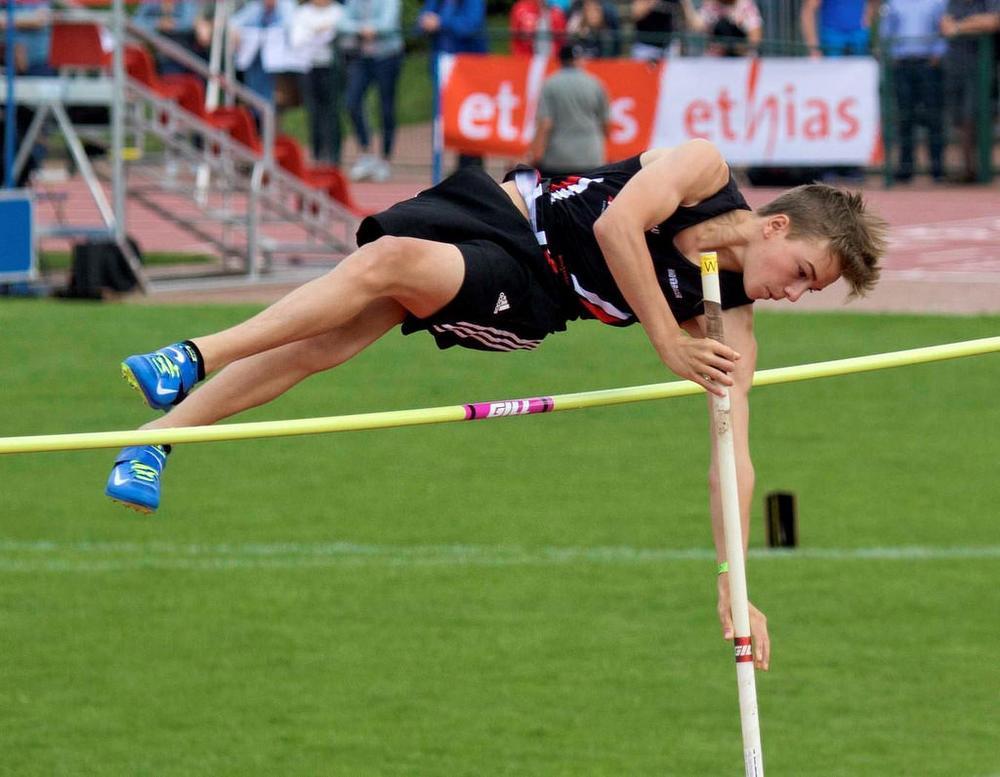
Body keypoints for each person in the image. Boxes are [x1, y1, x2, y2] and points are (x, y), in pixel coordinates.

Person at [103, 139, 888, 671]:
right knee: (347, 314)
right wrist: (666, 343)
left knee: (386, 272)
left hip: (534, 291)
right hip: (501, 209)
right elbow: (620, 222)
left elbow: (733, 453)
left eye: (807, 292)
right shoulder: (702, 170)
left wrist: (734, 578)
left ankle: (194, 356)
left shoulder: (725, 324)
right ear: (777, 224)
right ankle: (159, 438)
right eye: (802, 271)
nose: (790, 292)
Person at [881, 0, 947, 183]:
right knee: (905, 117)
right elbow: (886, 31)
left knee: (934, 117)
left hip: (928, 65)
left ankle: (937, 168)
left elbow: (943, 29)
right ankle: (905, 167)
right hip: (902, 65)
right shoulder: (894, 3)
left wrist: (937, 55)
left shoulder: (938, 2)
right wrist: (893, 55)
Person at [417, 0, 487, 170]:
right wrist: (424, 22)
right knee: (445, 118)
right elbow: (421, 23)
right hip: (443, 68)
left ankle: (471, 168)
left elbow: (470, 24)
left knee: (470, 118)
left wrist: (440, 23)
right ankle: (450, 169)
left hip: (468, 69)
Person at [339, 0, 403, 182]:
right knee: (352, 102)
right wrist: (362, 30)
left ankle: (385, 159)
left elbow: (387, 24)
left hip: (387, 56)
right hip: (361, 56)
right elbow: (343, 23)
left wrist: (370, 29)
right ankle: (366, 153)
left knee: (386, 108)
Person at [939, 0, 1000, 183]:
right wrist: (973, 25)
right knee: (960, 120)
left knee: (975, 117)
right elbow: (944, 25)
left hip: (983, 68)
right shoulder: (954, 3)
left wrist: (959, 27)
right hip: (956, 67)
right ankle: (968, 170)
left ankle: (982, 170)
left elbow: (992, 22)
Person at [529, 43, 610, 177]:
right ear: (580, 60)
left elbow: (545, 123)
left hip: (558, 158)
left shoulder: (550, 84)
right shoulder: (596, 83)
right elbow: (606, 125)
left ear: (560, 60)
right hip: (591, 156)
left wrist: (534, 154)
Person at [290, 0, 344, 165]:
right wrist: (318, 31)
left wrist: (314, 31)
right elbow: (296, 40)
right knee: (314, 112)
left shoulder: (339, 11)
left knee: (332, 111)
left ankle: (333, 154)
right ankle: (318, 152)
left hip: (331, 67)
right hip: (309, 67)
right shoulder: (302, 13)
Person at [630, 0, 698, 60]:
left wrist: (686, 4)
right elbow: (635, 13)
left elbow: (695, 25)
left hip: (669, 48)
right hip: (646, 48)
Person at [697, 0, 763, 57]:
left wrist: (733, 47)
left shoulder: (746, 5)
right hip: (715, 60)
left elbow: (755, 38)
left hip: (742, 59)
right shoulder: (710, 5)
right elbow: (697, 27)